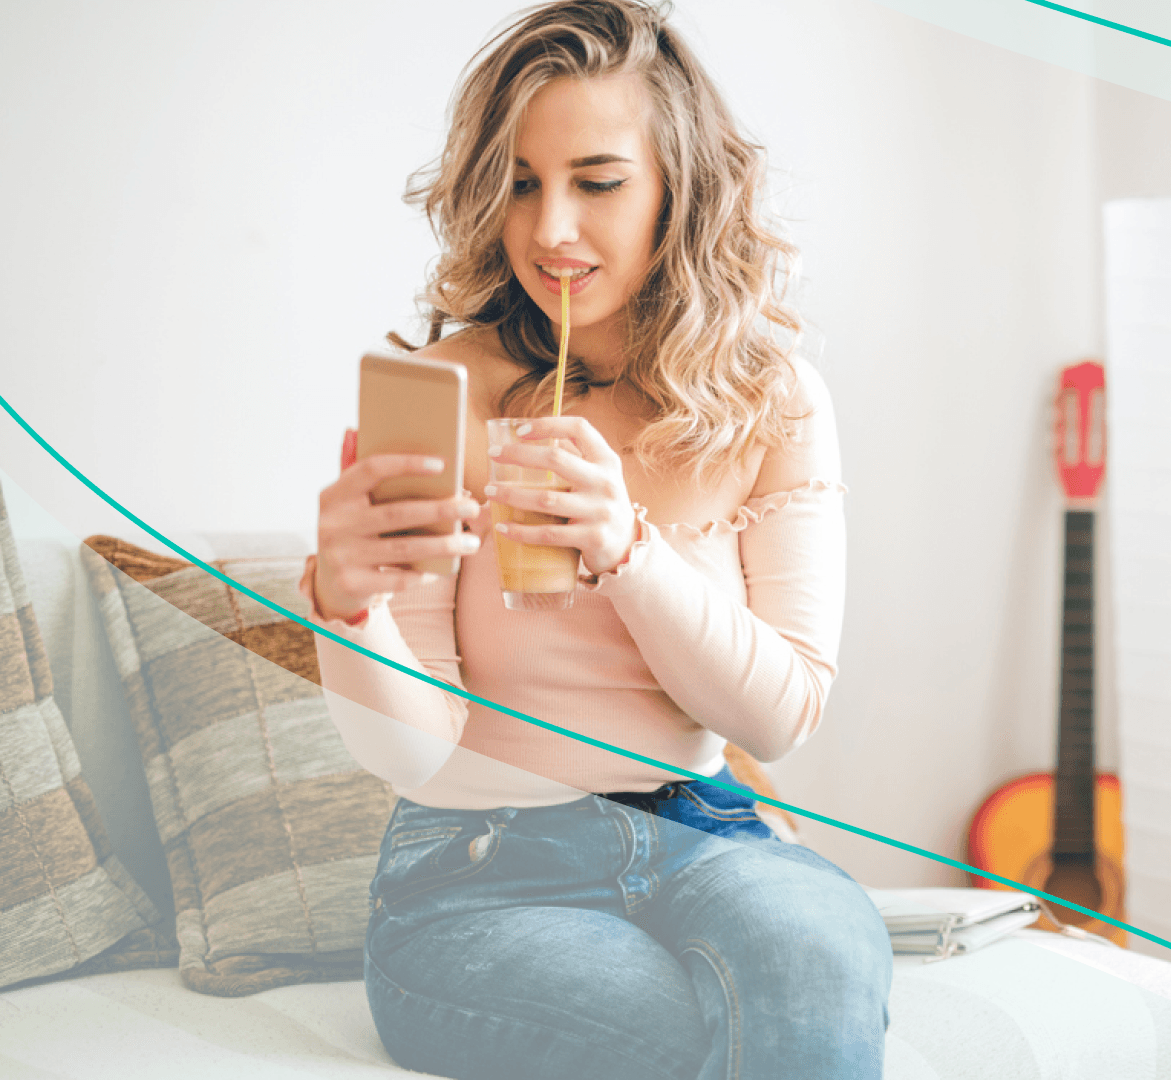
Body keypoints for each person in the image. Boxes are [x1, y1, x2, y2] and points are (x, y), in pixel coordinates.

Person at [297, 2, 891, 1077]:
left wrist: (629, 551)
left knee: (815, 962)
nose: (551, 229)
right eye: (521, 182)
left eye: (599, 181)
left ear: (680, 186)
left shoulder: (774, 401)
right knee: (685, 1029)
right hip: (480, 869)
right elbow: (414, 752)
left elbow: (780, 714)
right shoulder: (443, 392)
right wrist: (348, 608)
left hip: (708, 836)